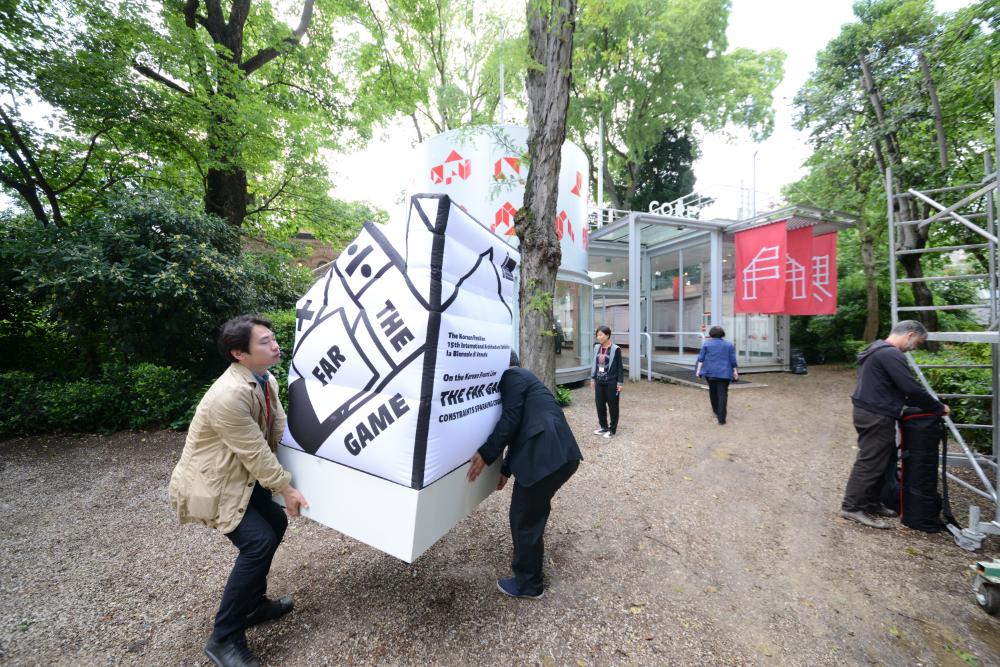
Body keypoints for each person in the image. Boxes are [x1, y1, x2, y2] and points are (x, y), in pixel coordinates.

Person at [169, 315, 308, 667]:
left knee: (275, 523)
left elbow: (278, 429)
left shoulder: (266, 379)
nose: (275, 345)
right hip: (216, 483)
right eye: (264, 341)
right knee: (258, 540)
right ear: (238, 354)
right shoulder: (228, 396)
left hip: (242, 476)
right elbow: (254, 451)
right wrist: (286, 487)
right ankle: (224, 638)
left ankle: (252, 605)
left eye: (273, 338)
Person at [467, 350, 583, 599]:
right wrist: (506, 470)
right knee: (531, 512)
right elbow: (520, 426)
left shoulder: (513, 376)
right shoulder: (527, 380)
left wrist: (486, 454)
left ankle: (529, 585)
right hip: (560, 457)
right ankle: (530, 573)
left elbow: (510, 419)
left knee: (523, 518)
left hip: (545, 457)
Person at [840, 320, 949, 529]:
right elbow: (911, 387)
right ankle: (852, 506)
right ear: (909, 335)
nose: (916, 347)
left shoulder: (877, 349)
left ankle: (871, 502)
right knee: (870, 460)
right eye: (918, 342)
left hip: (870, 411)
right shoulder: (890, 354)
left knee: (886, 458)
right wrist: (937, 408)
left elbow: (890, 386)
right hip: (875, 414)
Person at [695, 326, 738, 425]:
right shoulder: (729, 345)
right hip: (725, 373)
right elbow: (733, 360)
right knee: (723, 394)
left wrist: (698, 371)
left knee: (713, 391)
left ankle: (715, 411)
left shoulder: (707, 344)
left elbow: (701, 359)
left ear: (711, 334)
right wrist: (735, 372)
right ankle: (721, 418)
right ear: (722, 334)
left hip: (710, 372)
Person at [590, 325, 623, 438]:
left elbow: (619, 367)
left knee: (613, 406)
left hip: (611, 382)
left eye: (600, 335)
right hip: (599, 381)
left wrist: (620, 383)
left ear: (607, 335)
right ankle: (603, 427)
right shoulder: (596, 347)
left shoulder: (616, 349)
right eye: (597, 335)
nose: (598, 337)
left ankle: (612, 429)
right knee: (600, 405)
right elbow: (594, 363)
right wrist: (593, 378)